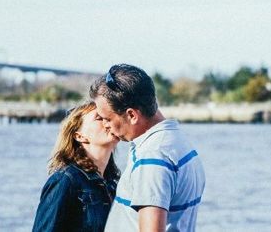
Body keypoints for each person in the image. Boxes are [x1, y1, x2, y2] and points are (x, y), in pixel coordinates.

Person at [90, 64, 205, 232]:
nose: (105, 125)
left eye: (107, 118)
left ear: (132, 115)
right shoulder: (177, 141)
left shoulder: (153, 157)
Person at [33, 101, 121, 232]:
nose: (108, 121)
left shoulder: (113, 183)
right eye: (99, 118)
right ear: (79, 136)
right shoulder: (66, 180)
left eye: (109, 116)